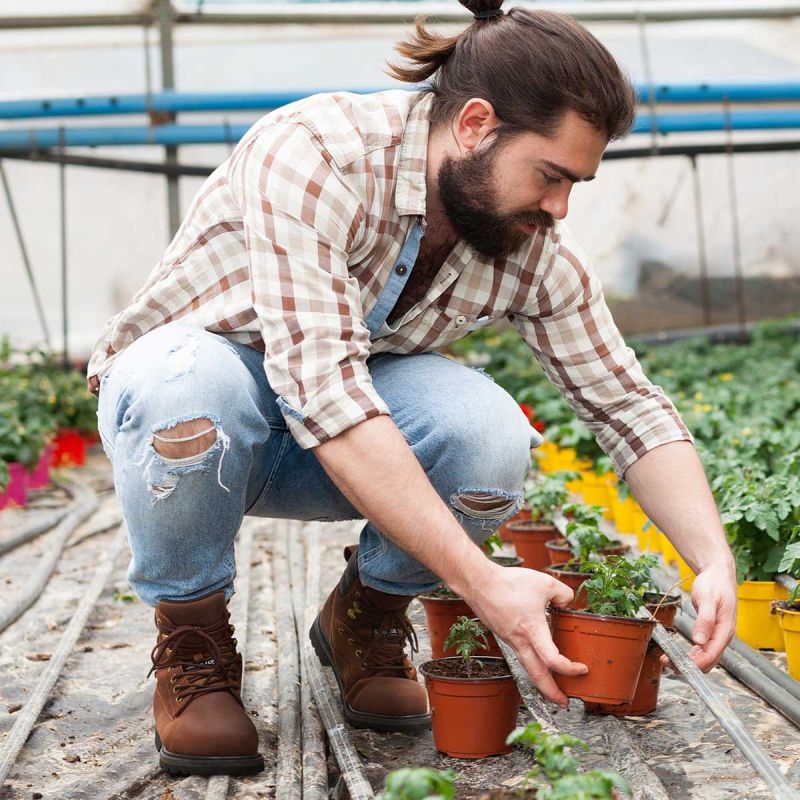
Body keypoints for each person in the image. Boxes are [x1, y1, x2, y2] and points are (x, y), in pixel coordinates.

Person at [88, 0, 737, 776]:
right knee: (184, 385)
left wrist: (710, 559)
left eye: (577, 185)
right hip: (204, 420)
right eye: (551, 176)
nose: (561, 208)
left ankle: (366, 616)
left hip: (334, 439)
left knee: (488, 432)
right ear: (473, 125)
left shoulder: (526, 250)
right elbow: (323, 389)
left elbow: (626, 405)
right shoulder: (318, 154)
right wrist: (483, 584)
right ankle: (192, 647)